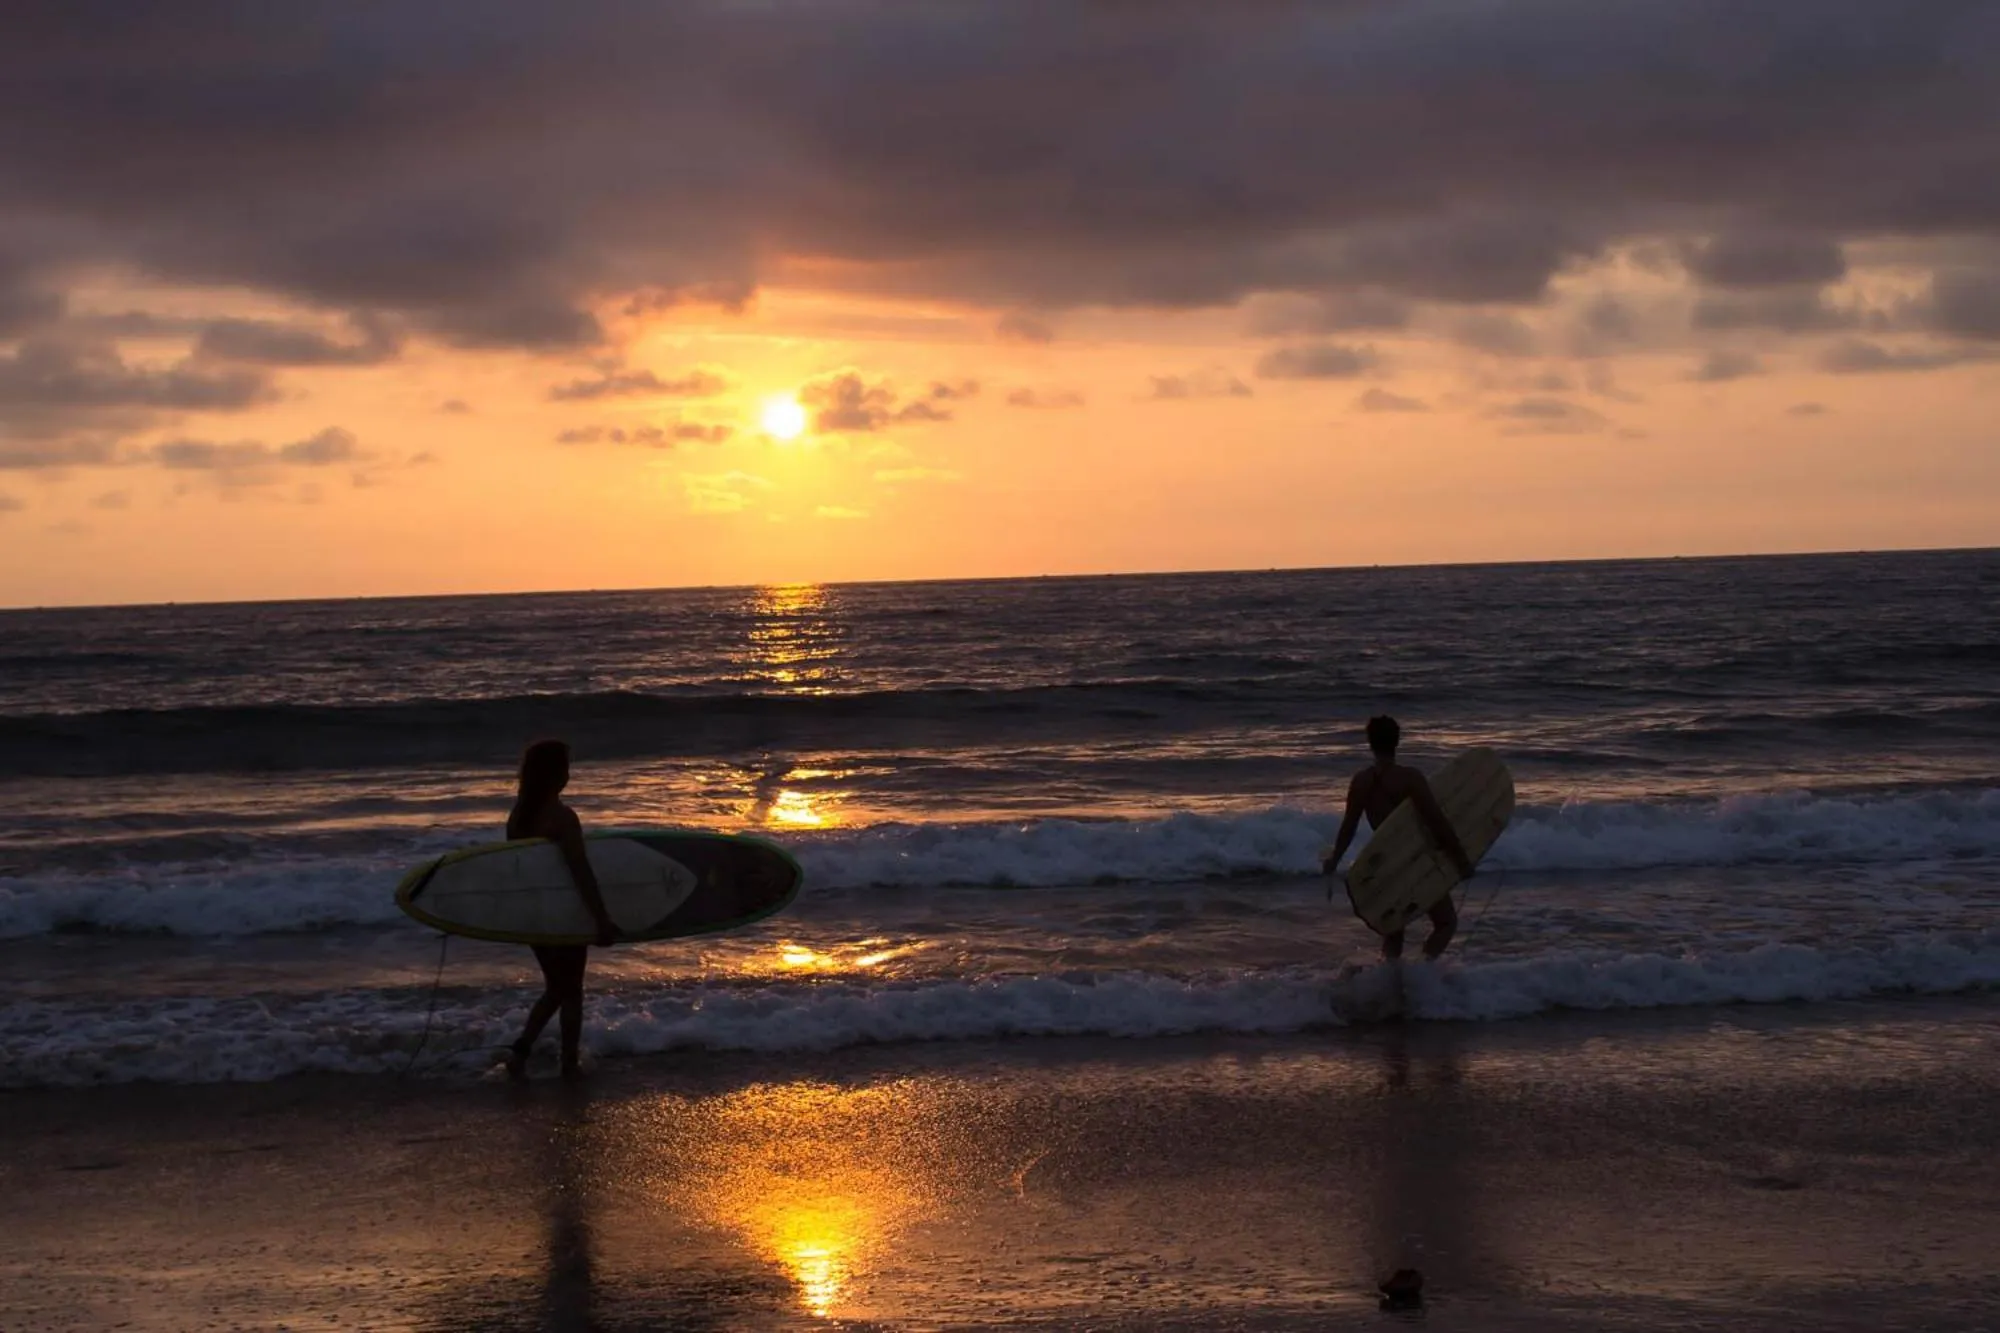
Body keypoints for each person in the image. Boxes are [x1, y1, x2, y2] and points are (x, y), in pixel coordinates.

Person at [505, 739, 618, 1081]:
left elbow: (519, 871)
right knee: (570, 991)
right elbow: (580, 870)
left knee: (557, 987)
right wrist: (601, 919)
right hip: (563, 914)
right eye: (566, 768)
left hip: (534, 915)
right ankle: (568, 1062)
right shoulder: (562, 817)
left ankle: (521, 1052)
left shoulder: (518, 816)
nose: (570, 774)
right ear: (557, 774)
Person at [1322, 715, 1476, 961]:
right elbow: (1436, 822)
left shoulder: (1361, 782)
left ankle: (1391, 982)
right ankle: (1422, 974)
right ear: (1397, 742)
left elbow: (1348, 828)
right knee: (1446, 922)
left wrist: (1334, 859)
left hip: (1385, 865)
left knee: (1394, 933)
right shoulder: (1410, 778)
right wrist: (1460, 860)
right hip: (1415, 862)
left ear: (1370, 743)